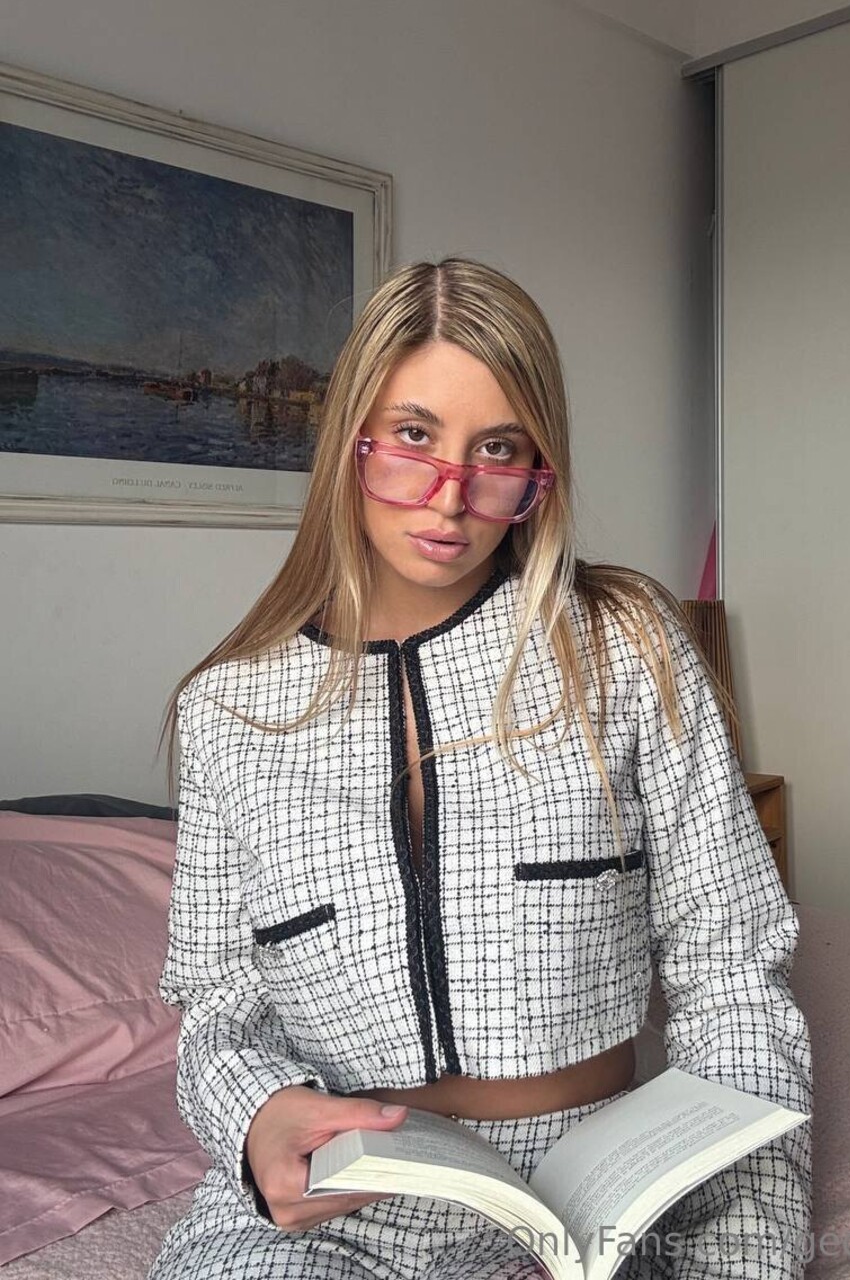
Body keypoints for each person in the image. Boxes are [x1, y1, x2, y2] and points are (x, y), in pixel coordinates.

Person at [147, 256, 813, 1280]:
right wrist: (258, 1113)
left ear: (539, 465)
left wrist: (744, 1248)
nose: (450, 497)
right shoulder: (230, 709)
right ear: (349, 439)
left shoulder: (627, 644)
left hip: (605, 1187)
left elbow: (733, 969)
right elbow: (219, 1005)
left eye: (497, 448)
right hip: (347, 1199)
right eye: (414, 437)